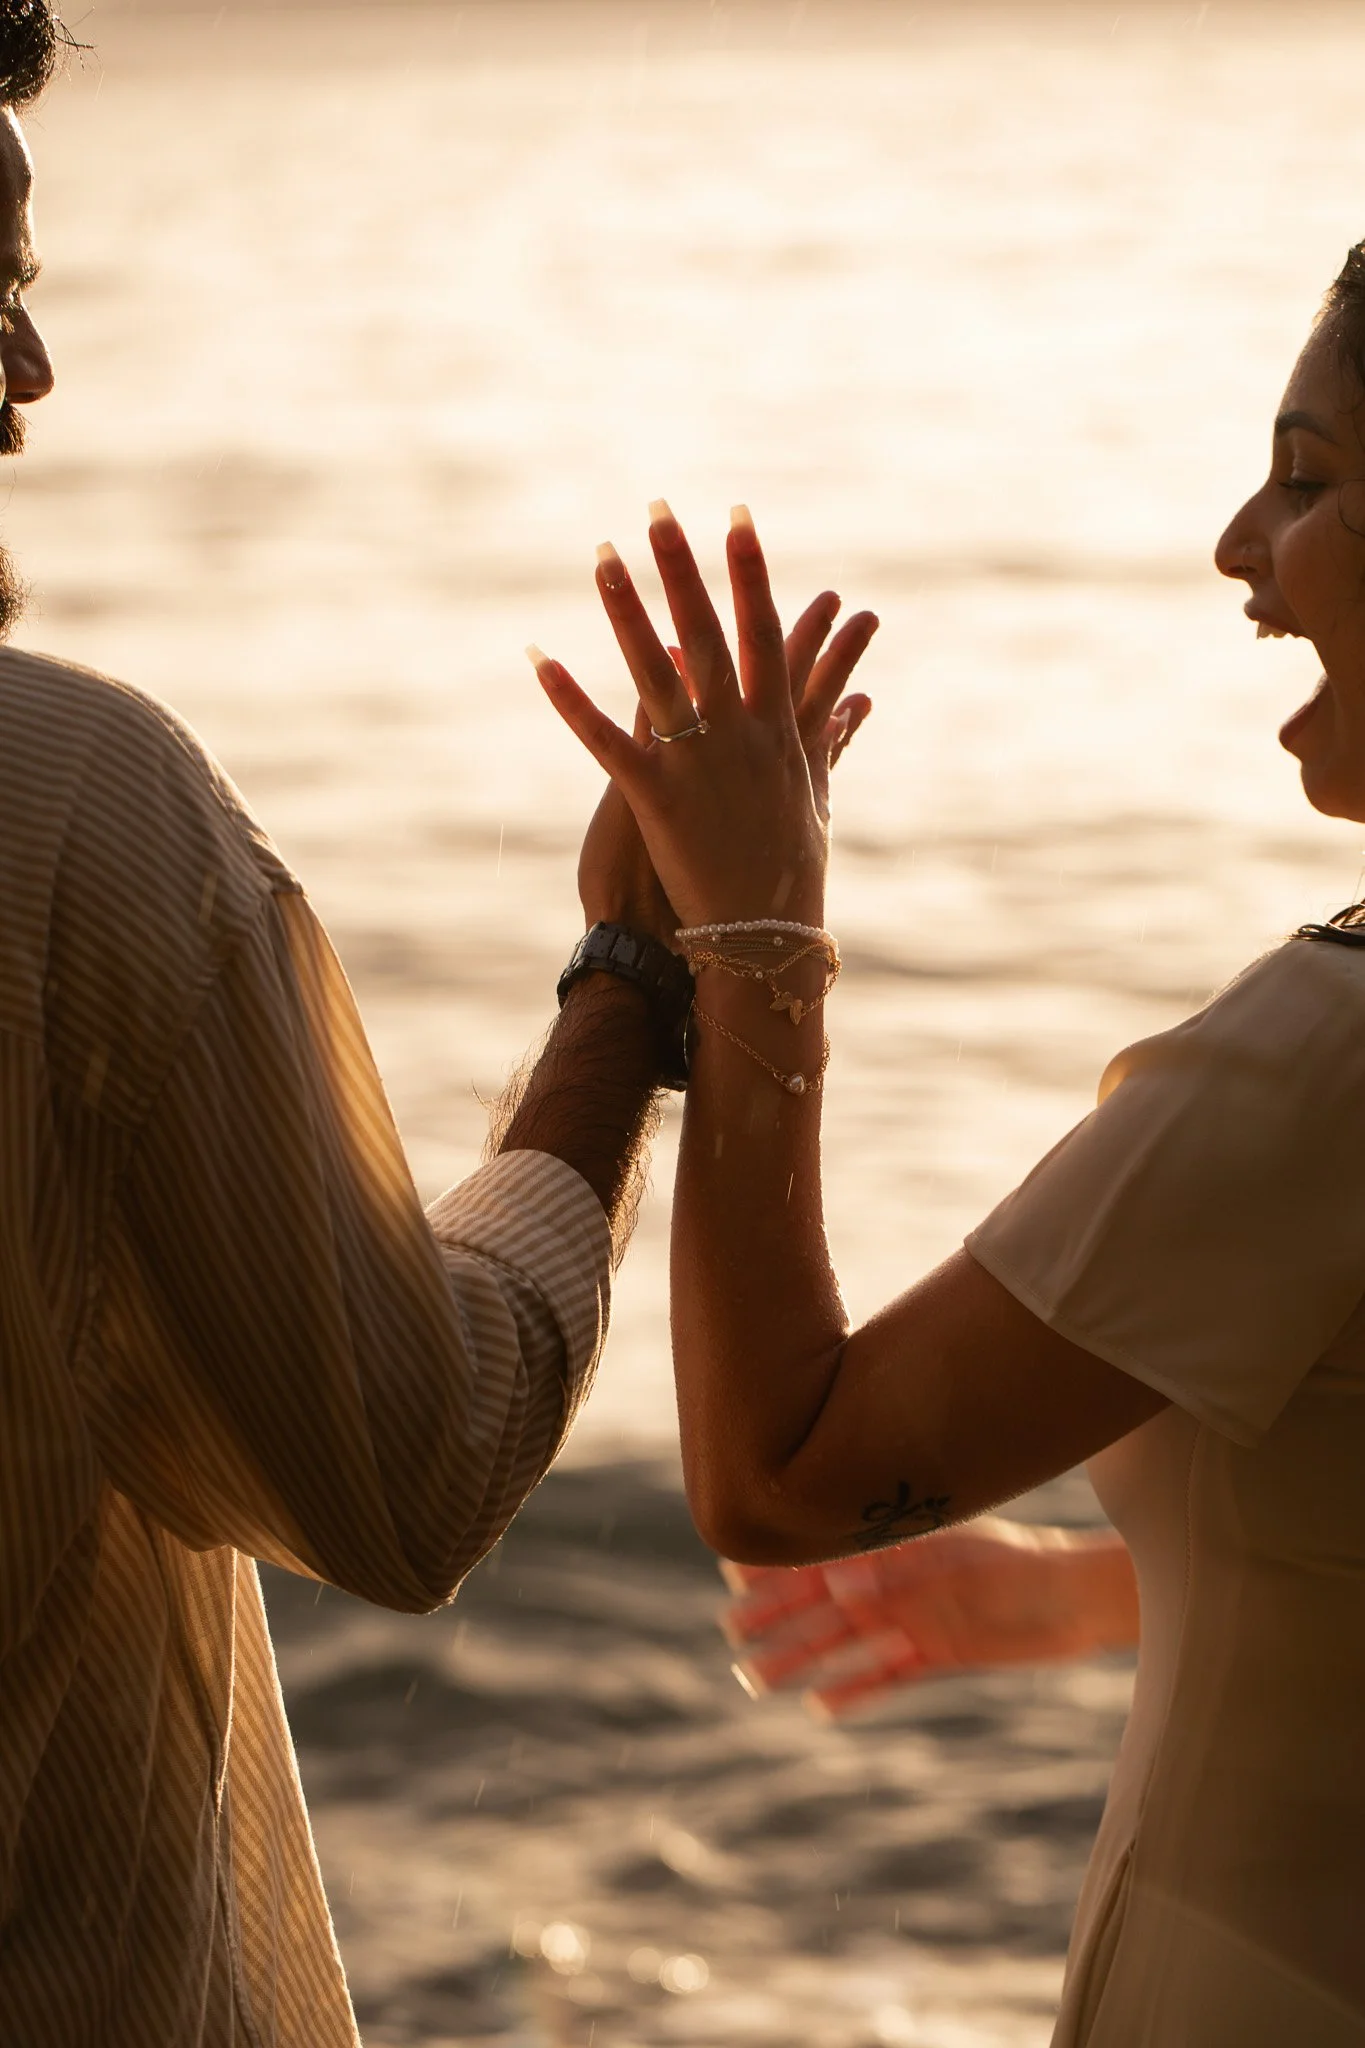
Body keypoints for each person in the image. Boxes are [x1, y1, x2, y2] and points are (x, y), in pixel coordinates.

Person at [0, 11, 879, 2045]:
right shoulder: (62, 824)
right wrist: (639, 981)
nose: (32, 374)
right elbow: (407, 1463)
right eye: (0, 291)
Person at [535, 242, 1365, 2044]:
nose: (1243, 543)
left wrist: (747, 942)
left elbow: (782, 1474)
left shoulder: (1333, 1061)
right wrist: (1080, 1599)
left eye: (1309, 481)